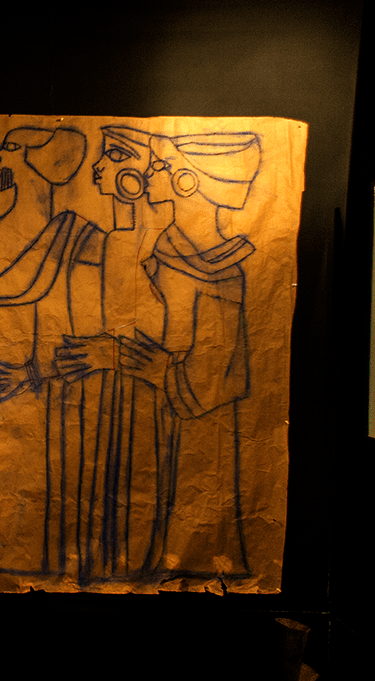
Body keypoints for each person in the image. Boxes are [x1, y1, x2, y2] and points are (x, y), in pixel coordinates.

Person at [0, 126, 107, 577]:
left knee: (59, 490)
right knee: (4, 496)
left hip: (57, 389)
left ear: (36, 159)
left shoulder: (82, 237)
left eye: (10, 147)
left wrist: (34, 372)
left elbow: (91, 321)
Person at [121, 132, 260, 577]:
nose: (148, 174)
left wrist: (157, 367)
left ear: (187, 180)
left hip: (196, 427)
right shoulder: (168, 250)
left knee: (188, 521)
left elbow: (215, 375)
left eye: (159, 166)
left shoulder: (221, 271)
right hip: (156, 410)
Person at [53, 125, 167, 581]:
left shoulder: (160, 243)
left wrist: (115, 355)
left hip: (145, 393)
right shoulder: (115, 239)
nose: (99, 167)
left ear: (138, 175)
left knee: (138, 485)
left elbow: (166, 330)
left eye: (114, 157)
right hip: (112, 391)